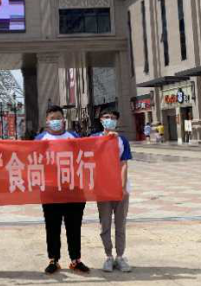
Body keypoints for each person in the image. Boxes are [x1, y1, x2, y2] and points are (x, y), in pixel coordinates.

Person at [36, 105, 90, 275]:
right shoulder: (40, 139)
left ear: (63, 119)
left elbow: (88, 151)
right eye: (52, 118)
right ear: (46, 121)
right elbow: (29, 158)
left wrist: (109, 138)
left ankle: (76, 259)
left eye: (58, 117)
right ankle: (53, 260)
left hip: (73, 188)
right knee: (52, 226)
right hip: (50, 190)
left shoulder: (73, 137)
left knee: (74, 226)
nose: (56, 121)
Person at [93, 110, 133, 273]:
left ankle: (120, 256)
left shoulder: (122, 140)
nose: (110, 120)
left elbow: (124, 164)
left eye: (113, 118)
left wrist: (122, 188)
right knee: (105, 224)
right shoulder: (94, 138)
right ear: (101, 120)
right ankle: (108, 256)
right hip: (102, 188)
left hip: (120, 189)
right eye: (107, 117)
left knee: (120, 224)